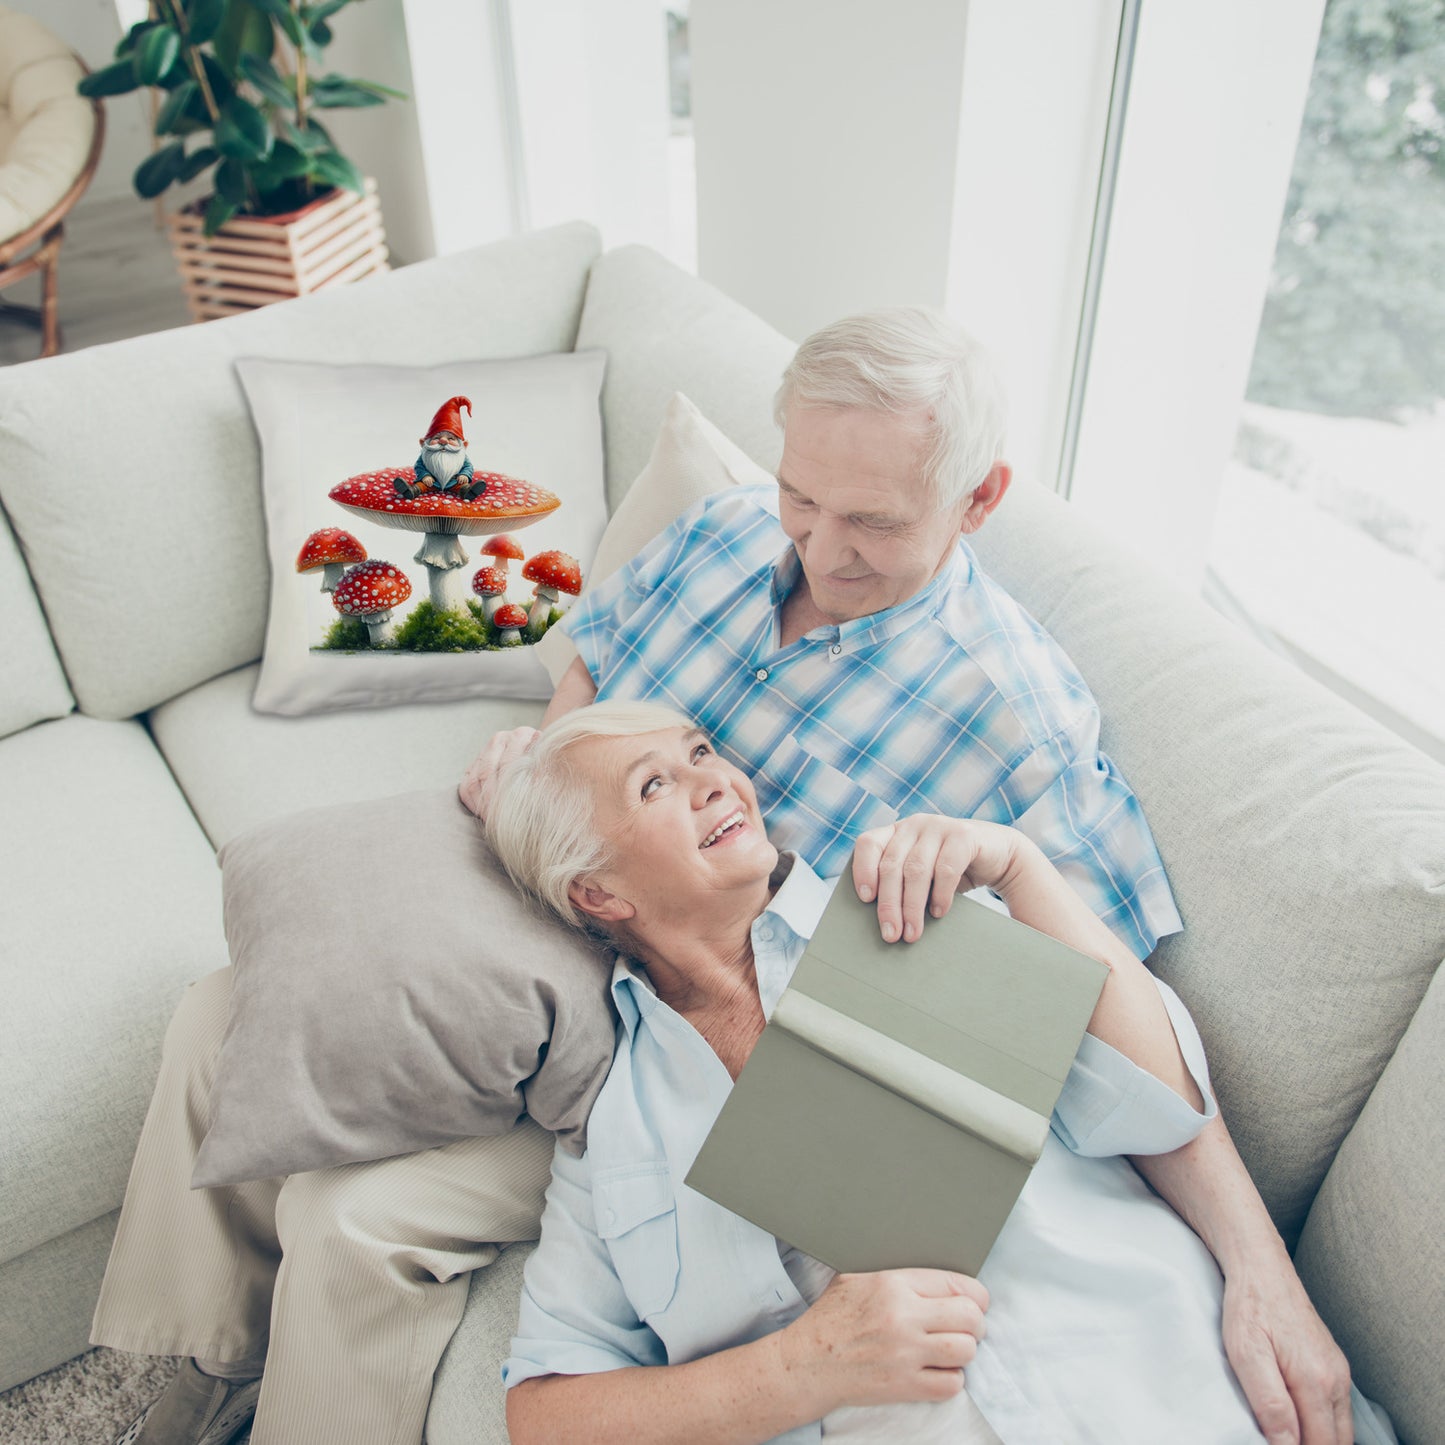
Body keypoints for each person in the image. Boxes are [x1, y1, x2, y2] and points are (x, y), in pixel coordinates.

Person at [94, 310, 1348, 1445]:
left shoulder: (1016, 723)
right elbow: (592, 667)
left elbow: (1103, 1020)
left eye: (871, 520)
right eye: (804, 495)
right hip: (579, 886)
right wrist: (546, 765)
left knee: (356, 1218)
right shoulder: (724, 532)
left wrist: (1259, 1266)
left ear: (976, 501)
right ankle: (194, 1362)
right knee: (229, 1007)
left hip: (690, 1012)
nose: (819, 545)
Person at [486, 701, 1386, 1445]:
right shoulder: (615, 1131)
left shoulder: (909, 908)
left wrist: (1021, 869)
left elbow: (1158, 1107)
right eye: (655, 784)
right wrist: (803, 1366)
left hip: (1173, 1395)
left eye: (700, 752)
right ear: (597, 893)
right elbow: (545, 1414)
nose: (715, 779)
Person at [394, 393, 488, 500]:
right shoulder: (426, 456)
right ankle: (411, 491)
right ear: (423, 443)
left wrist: (465, 475)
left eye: (451, 438)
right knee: (421, 486)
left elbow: (468, 467)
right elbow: (419, 467)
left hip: (454, 482)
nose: (443, 441)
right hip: (431, 483)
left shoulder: (462, 457)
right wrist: (425, 476)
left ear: (464, 445)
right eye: (437, 438)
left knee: (462, 487)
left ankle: (468, 493)